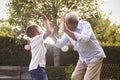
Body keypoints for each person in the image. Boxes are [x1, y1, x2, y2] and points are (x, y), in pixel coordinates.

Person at [51, 12, 106, 80]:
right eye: (66, 24)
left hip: (95, 56)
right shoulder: (68, 31)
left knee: (88, 79)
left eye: (68, 24)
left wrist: (67, 31)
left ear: (76, 23)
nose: (67, 26)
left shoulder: (85, 25)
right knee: (75, 77)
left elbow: (84, 39)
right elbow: (60, 44)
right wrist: (52, 36)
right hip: (83, 58)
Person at [24, 14, 51, 80]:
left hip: (37, 68)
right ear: (35, 32)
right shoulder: (36, 38)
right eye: (39, 28)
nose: (41, 29)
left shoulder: (36, 41)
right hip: (37, 67)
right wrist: (45, 20)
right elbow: (49, 32)